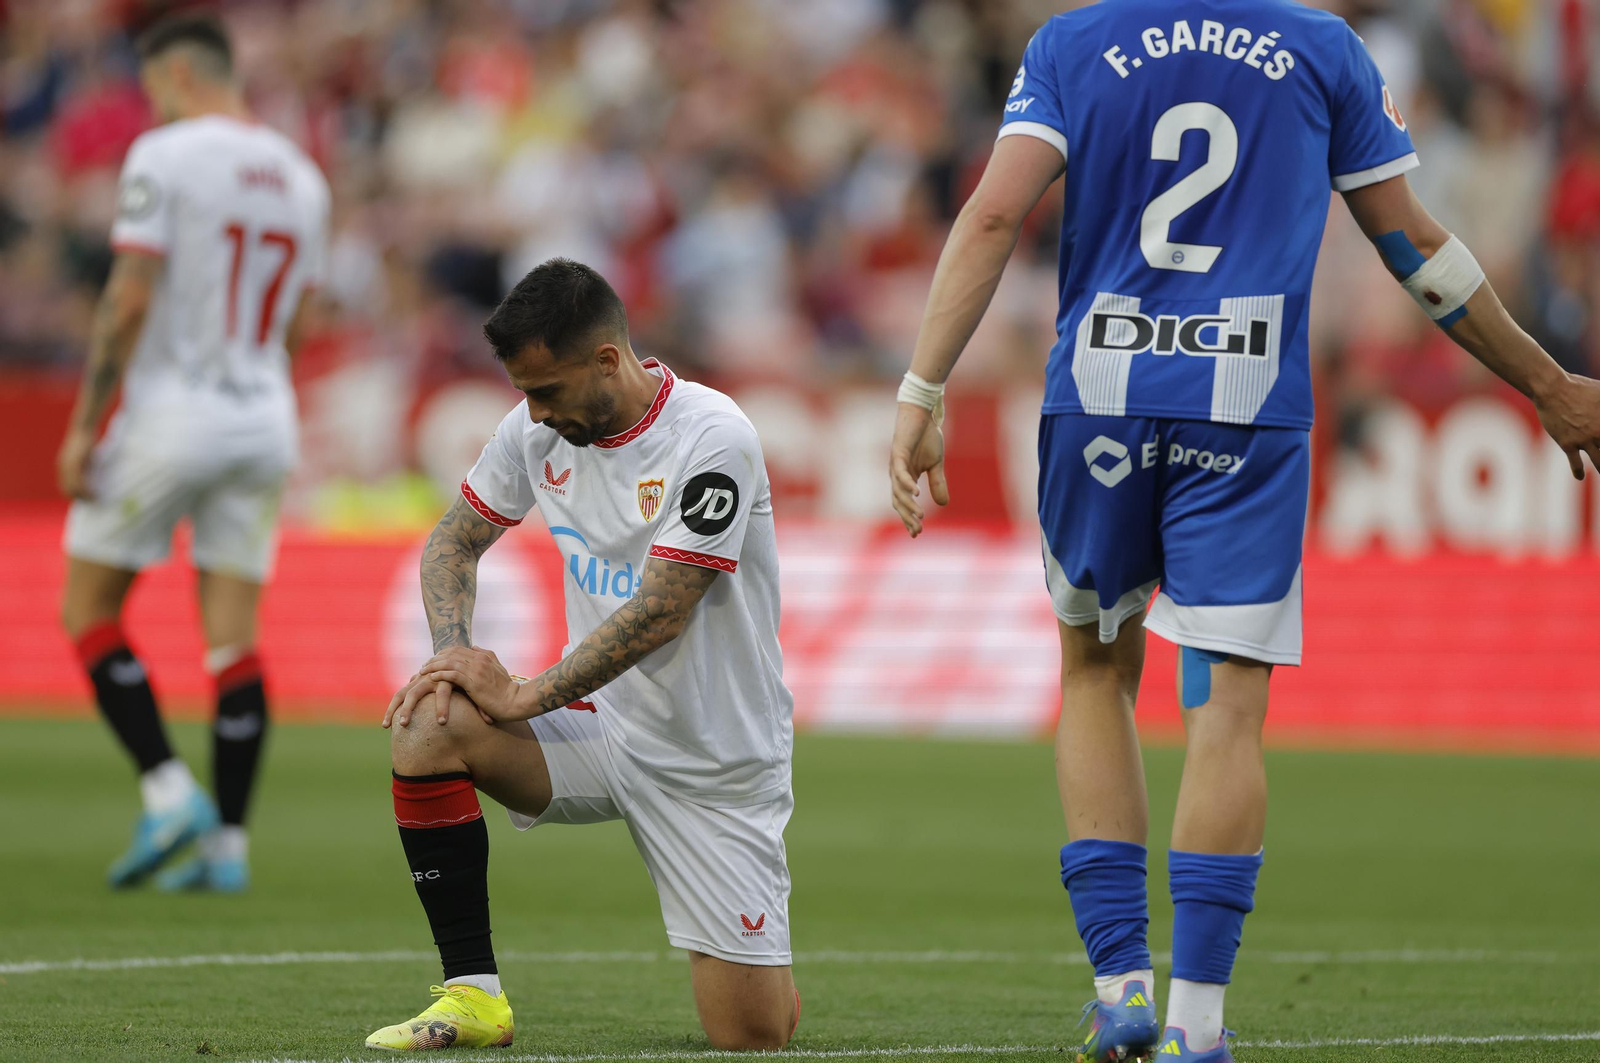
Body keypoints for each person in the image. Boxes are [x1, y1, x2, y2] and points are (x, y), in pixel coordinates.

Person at [888, 4, 1600, 1061]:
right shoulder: (1320, 48)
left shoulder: (1074, 44)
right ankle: (1195, 1028)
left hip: (1101, 396)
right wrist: (1544, 383)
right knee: (1226, 703)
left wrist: (922, 384)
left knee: (1092, 671)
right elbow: (1410, 241)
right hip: (1246, 404)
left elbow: (993, 217)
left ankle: (1120, 984)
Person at [368, 259, 799, 1052]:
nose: (534, 413)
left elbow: (661, 609)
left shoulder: (714, 437)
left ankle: (759, 952)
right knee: (430, 724)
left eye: (548, 391)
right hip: (600, 726)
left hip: (714, 761)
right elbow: (452, 542)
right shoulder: (534, 429)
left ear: (608, 360)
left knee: (754, 1033)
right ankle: (474, 995)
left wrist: (522, 692)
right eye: (524, 392)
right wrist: (452, 657)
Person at [56, 13, 328, 893]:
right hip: (264, 414)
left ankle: (170, 790)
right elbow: (301, 319)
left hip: (174, 414)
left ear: (175, 75)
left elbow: (128, 299)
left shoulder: (164, 155)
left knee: (88, 607)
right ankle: (229, 851)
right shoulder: (301, 175)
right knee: (233, 639)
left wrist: (87, 422)